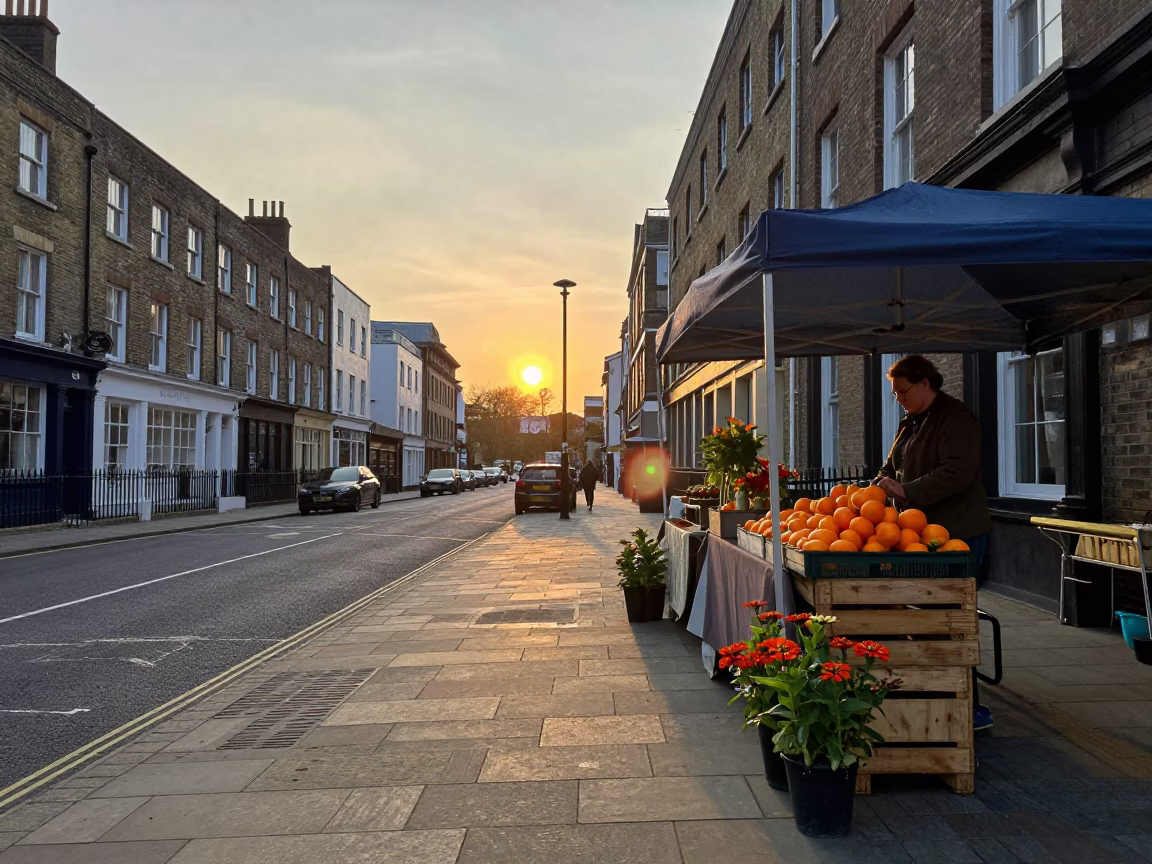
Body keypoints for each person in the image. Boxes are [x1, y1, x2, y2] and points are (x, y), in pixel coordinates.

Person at [872, 355, 994, 730]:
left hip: (958, 534)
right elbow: (891, 467)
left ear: (926, 383)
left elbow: (957, 473)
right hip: (921, 535)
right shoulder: (911, 422)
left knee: (951, 619)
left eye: (903, 391)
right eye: (895, 395)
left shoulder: (955, 419)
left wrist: (907, 492)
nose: (899, 399)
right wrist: (879, 484)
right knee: (931, 619)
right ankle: (936, 694)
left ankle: (969, 708)